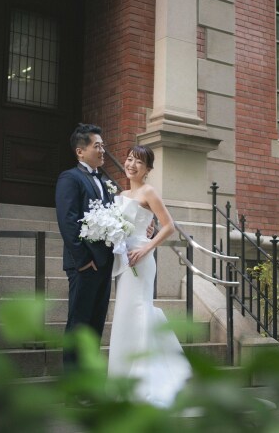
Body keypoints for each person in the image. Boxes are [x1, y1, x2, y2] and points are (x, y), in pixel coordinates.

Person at [108, 145, 192, 407]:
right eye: (130, 159)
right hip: (124, 260)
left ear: (148, 170)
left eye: (139, 162)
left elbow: (169, 226)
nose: (132, 165)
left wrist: (146, 247)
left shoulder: (149, 191)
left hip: (141, 261)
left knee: (140, 311)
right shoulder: (121, 194)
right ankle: (123, 378)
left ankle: (144, 382)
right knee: (125, 315)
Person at [55, 123, 114, 373]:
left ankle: (89, 384)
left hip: (103, 263)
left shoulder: (105, 180)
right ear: (81, 151)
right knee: (78, 325)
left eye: (103, 146)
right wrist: (82, 259)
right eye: (97, 146)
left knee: (95, 326)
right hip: (84, 265)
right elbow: (67, 220)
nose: (103, 150)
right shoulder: (70, 178)